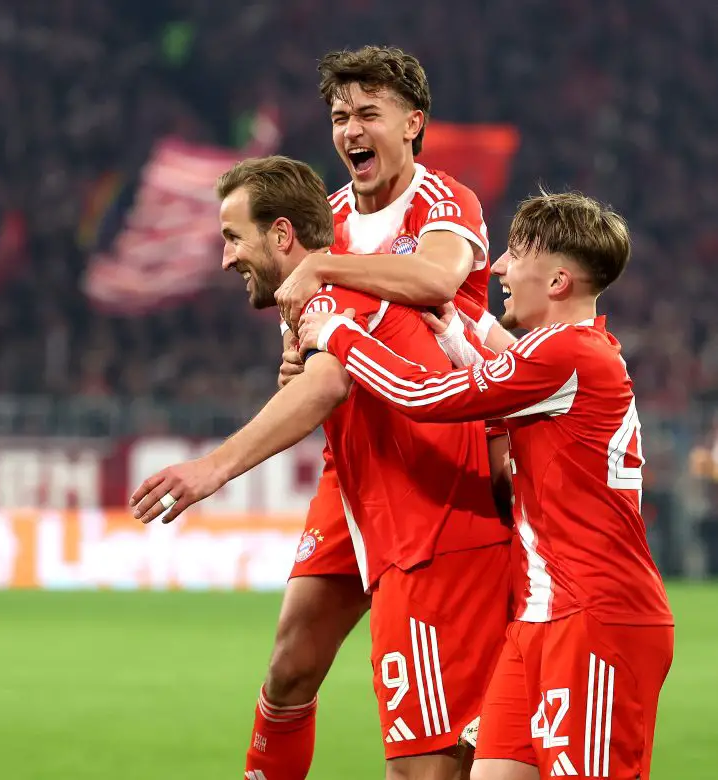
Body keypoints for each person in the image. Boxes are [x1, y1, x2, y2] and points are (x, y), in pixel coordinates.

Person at [131, 155, 512, 780]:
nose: (226, 258)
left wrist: (214, 469)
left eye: (233, 237)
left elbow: (330, 381)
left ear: (282, 236)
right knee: (290, 667)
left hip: (425, 511)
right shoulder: (328, 270)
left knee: (425, 765)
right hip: (359, 486)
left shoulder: (347, 276)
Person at [296, 191, 674, 780]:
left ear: (556, 282)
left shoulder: (568, 353)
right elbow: (502, 359)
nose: (496, 267)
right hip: (540, 616)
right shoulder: (572, 353)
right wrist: (457, 326)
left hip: (596, 616)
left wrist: (338, 334)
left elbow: (427, 397)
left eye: (515, 255)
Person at [259, 45, 511, 779]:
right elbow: (303, 353)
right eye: (340, 116)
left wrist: (324, 268)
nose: (351, 130)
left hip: (435, 468)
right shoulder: (327, 218)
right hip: (351, 465)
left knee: (435, 743)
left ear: (414, 124)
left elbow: (436, 279)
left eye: (370, 113)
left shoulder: (444, 201)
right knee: (288, 668)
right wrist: (292, 360)